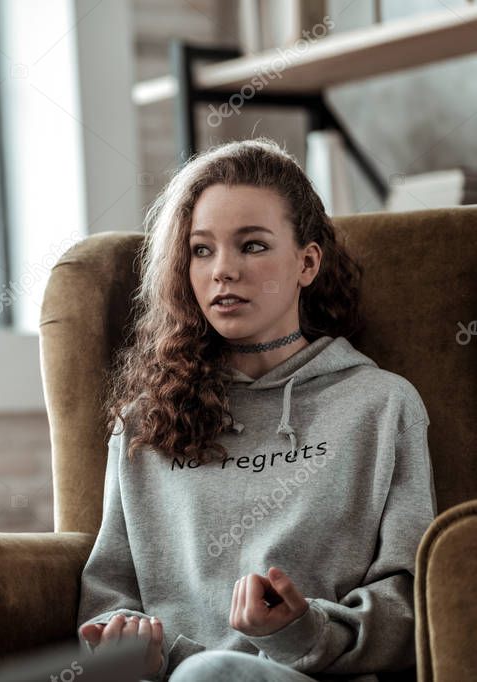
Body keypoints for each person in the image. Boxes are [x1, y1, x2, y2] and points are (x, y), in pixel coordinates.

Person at [75, 138, 437, 681]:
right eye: (202, 250)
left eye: (252, 245)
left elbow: (417, 604)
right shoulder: (142, 424)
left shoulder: (382, 405)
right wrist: (129, 645)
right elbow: (107, 597)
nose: (223, 270)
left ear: (306, 263)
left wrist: (305, 629)